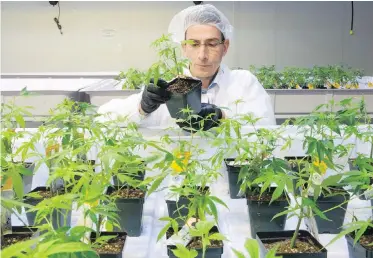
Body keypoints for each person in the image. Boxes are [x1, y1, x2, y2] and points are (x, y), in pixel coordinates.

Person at [97, 4, 276, 129]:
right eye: (194, 44)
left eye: (212, 44)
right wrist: (142, 108)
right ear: (184, 48)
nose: (202, 55)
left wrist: (222, 117)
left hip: (222, 181)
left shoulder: (243, 83)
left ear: (225, 47)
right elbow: (103, 118)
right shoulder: (167, 85)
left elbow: (267, 129)